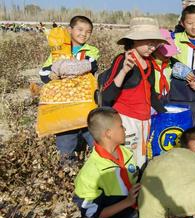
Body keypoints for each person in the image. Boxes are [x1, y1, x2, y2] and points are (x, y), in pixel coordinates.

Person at [73, 107, 152, 218]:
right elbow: (92, 214)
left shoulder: (125, 152)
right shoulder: (90, 173)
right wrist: (127, 202)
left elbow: (134, 179)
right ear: (108, 133)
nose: (125, 130)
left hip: (133, 213)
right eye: (121, 126)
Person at [99, 17, 168, 168]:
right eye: (149, 42)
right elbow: (107, 96)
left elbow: (150, 93)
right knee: (127, 161)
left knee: (142, 160)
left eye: (155, 42)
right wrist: (123, 71)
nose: (153, 47)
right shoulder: (122, 60)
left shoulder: (149, 63)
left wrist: (165, 114)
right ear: (134, 40)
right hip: (126, 123)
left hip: (144, 121)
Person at [39, 15, 100, 159]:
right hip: (64, 107)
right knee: (66, 144)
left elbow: (91, 65)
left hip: (85, 105)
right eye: (79, 29)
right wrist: (60, 70)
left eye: (88, 31)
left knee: (95, 139)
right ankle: (68, 173)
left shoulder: (91, 51)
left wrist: (60, 69)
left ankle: (100, 169)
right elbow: (43, 73)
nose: (83, 34)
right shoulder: (56, 50)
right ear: (69, 30)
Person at [152, 28, 178, 99]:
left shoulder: (173, 65)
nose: (168, 56)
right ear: (154, 50)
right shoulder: (147, 65)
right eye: (164, 53)